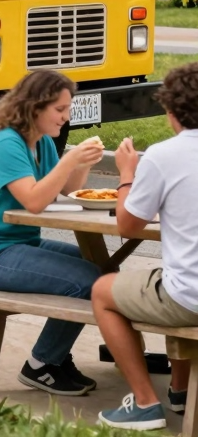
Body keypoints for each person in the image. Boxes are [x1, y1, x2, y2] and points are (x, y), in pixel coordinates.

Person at [0, 69, 106, 396]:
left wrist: (82, 162)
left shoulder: (41, 142)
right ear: (35, 107)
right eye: (60, 110)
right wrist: (71, 162)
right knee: (86, 281)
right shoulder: (6, 144)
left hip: (18, 244)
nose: (66, 118)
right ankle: (42, 365)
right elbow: (35, 201)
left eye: (68, 110)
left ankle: (58, 357)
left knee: (102, 266)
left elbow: (64, 191)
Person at [91, 63, 198, 430]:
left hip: (190, 298)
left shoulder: (164, 155)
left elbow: (127, 226)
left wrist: (126, 174)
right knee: (169, 277)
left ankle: (145, 402)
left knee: (103, 289)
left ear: (171, 112)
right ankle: (180, 391)